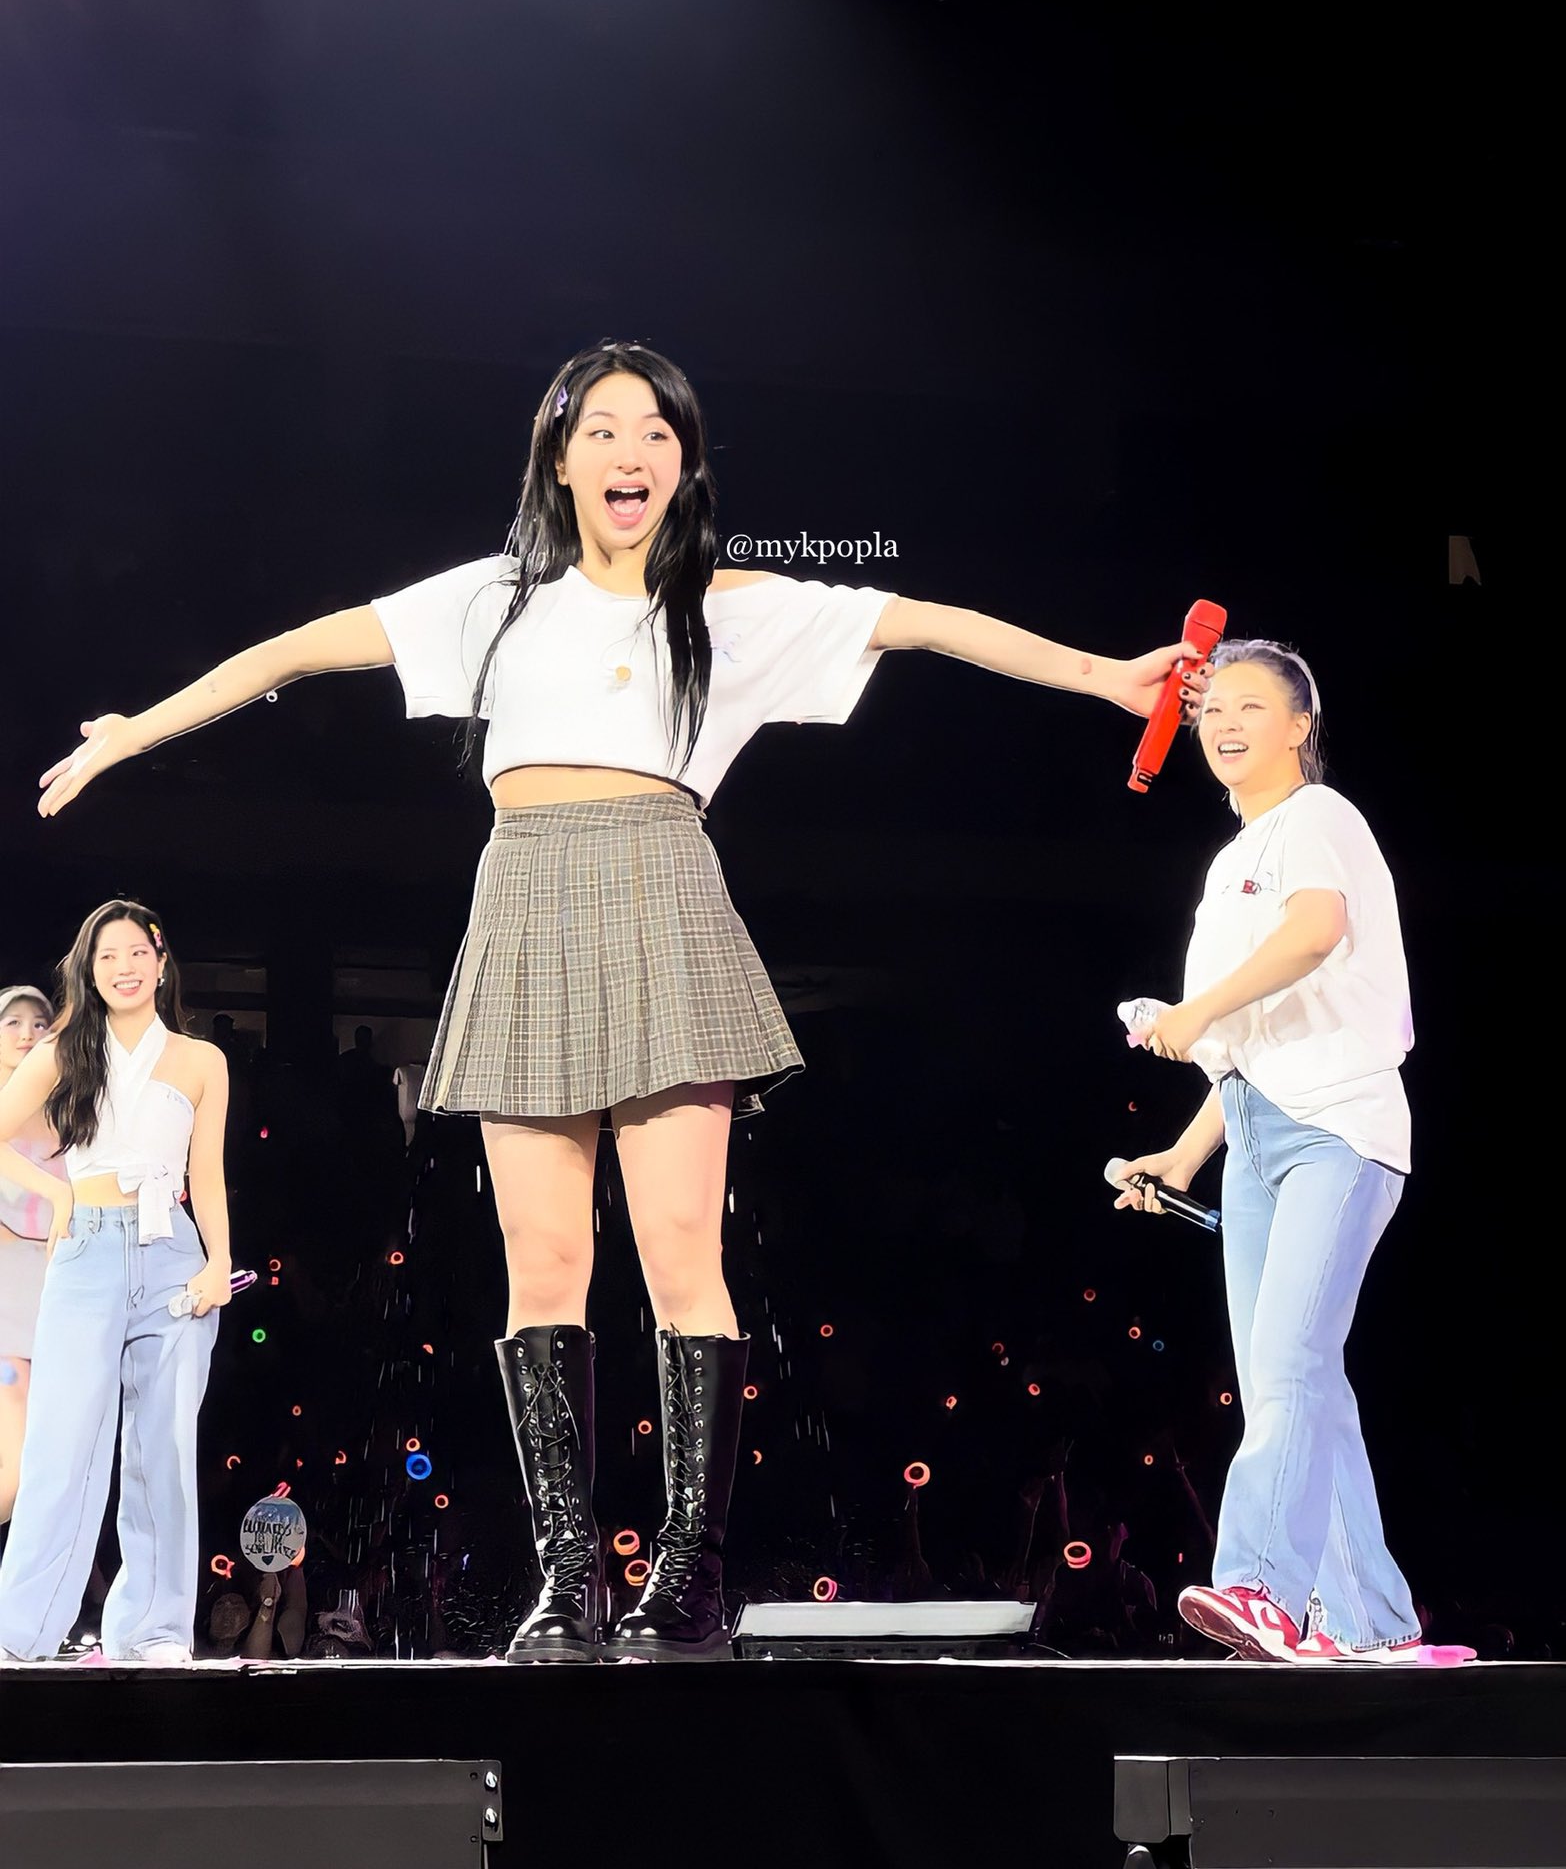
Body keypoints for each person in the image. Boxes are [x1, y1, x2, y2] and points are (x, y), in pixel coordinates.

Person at [35, 338, 1206, 1663]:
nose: (629, 451)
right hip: (526, 896)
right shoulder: (493, 599)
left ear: (685, 462)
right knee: (541, 1267)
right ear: (558, 457)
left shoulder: (728, 604)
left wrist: (1107, 676)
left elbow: (921, 620)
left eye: (655, 430)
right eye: (601, 429)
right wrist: (137, 730)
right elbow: (299, 650)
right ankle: (565, 1584)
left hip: (661, 889)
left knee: (681, 1259)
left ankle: (687, 1580)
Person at [1115, 639, 1427, 1665]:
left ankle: (1259, 1588)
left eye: (1252, 706)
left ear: (1301, 725)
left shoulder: (1318, 817)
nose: (1225, 724)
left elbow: (1314, 933)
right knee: (1293, 1383)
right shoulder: (1231, 861)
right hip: (1254, 1130)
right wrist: (1184, 1153)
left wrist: (1194, 1009)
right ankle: (1370, 1621)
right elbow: (1251, 1043)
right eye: (1212, 711)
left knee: (1292, 1365)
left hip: (1336, 1126)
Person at [0, 902, 233, 1665]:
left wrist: (218, 1264)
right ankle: (20, 1634)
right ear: (89, 971)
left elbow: (207, 1173)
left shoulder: (201, 1059)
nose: (124, 967)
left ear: (161, 962)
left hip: (173, 1253)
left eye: (137, 952)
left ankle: (155, 1633)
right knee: (60, 1446)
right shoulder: (66, 1049)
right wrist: (56, 1193)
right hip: (88, 1250)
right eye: (107, 957)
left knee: (164, 1451)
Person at [0, 986, 67, 1528]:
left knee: (51, 1464)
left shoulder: (67, 1112)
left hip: (61, 1290)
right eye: (12, 1022)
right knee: (14, 1468)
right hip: (9, 1297)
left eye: (39, 1023)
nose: (27, 1034)